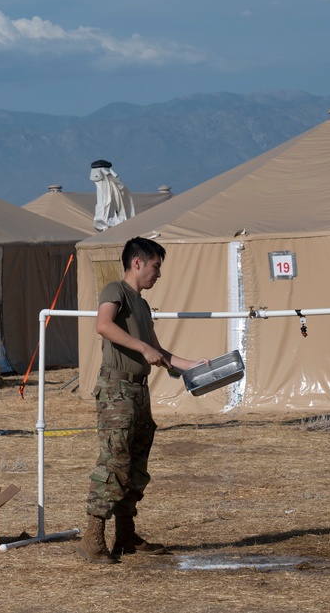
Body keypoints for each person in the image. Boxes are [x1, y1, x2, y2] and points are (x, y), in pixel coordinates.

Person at [77, 236, 209, 564]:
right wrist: (142, 348)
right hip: (116, 391)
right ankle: (92, 538)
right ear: (137, 262)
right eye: (155, 266)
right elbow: (103, 325)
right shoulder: (115, 291)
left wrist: (192, 365)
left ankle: (125, 537)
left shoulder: (143, 305)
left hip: (138, 392)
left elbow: (160, 353)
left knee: (135, 465)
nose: (158, 274)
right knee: (115, 461)